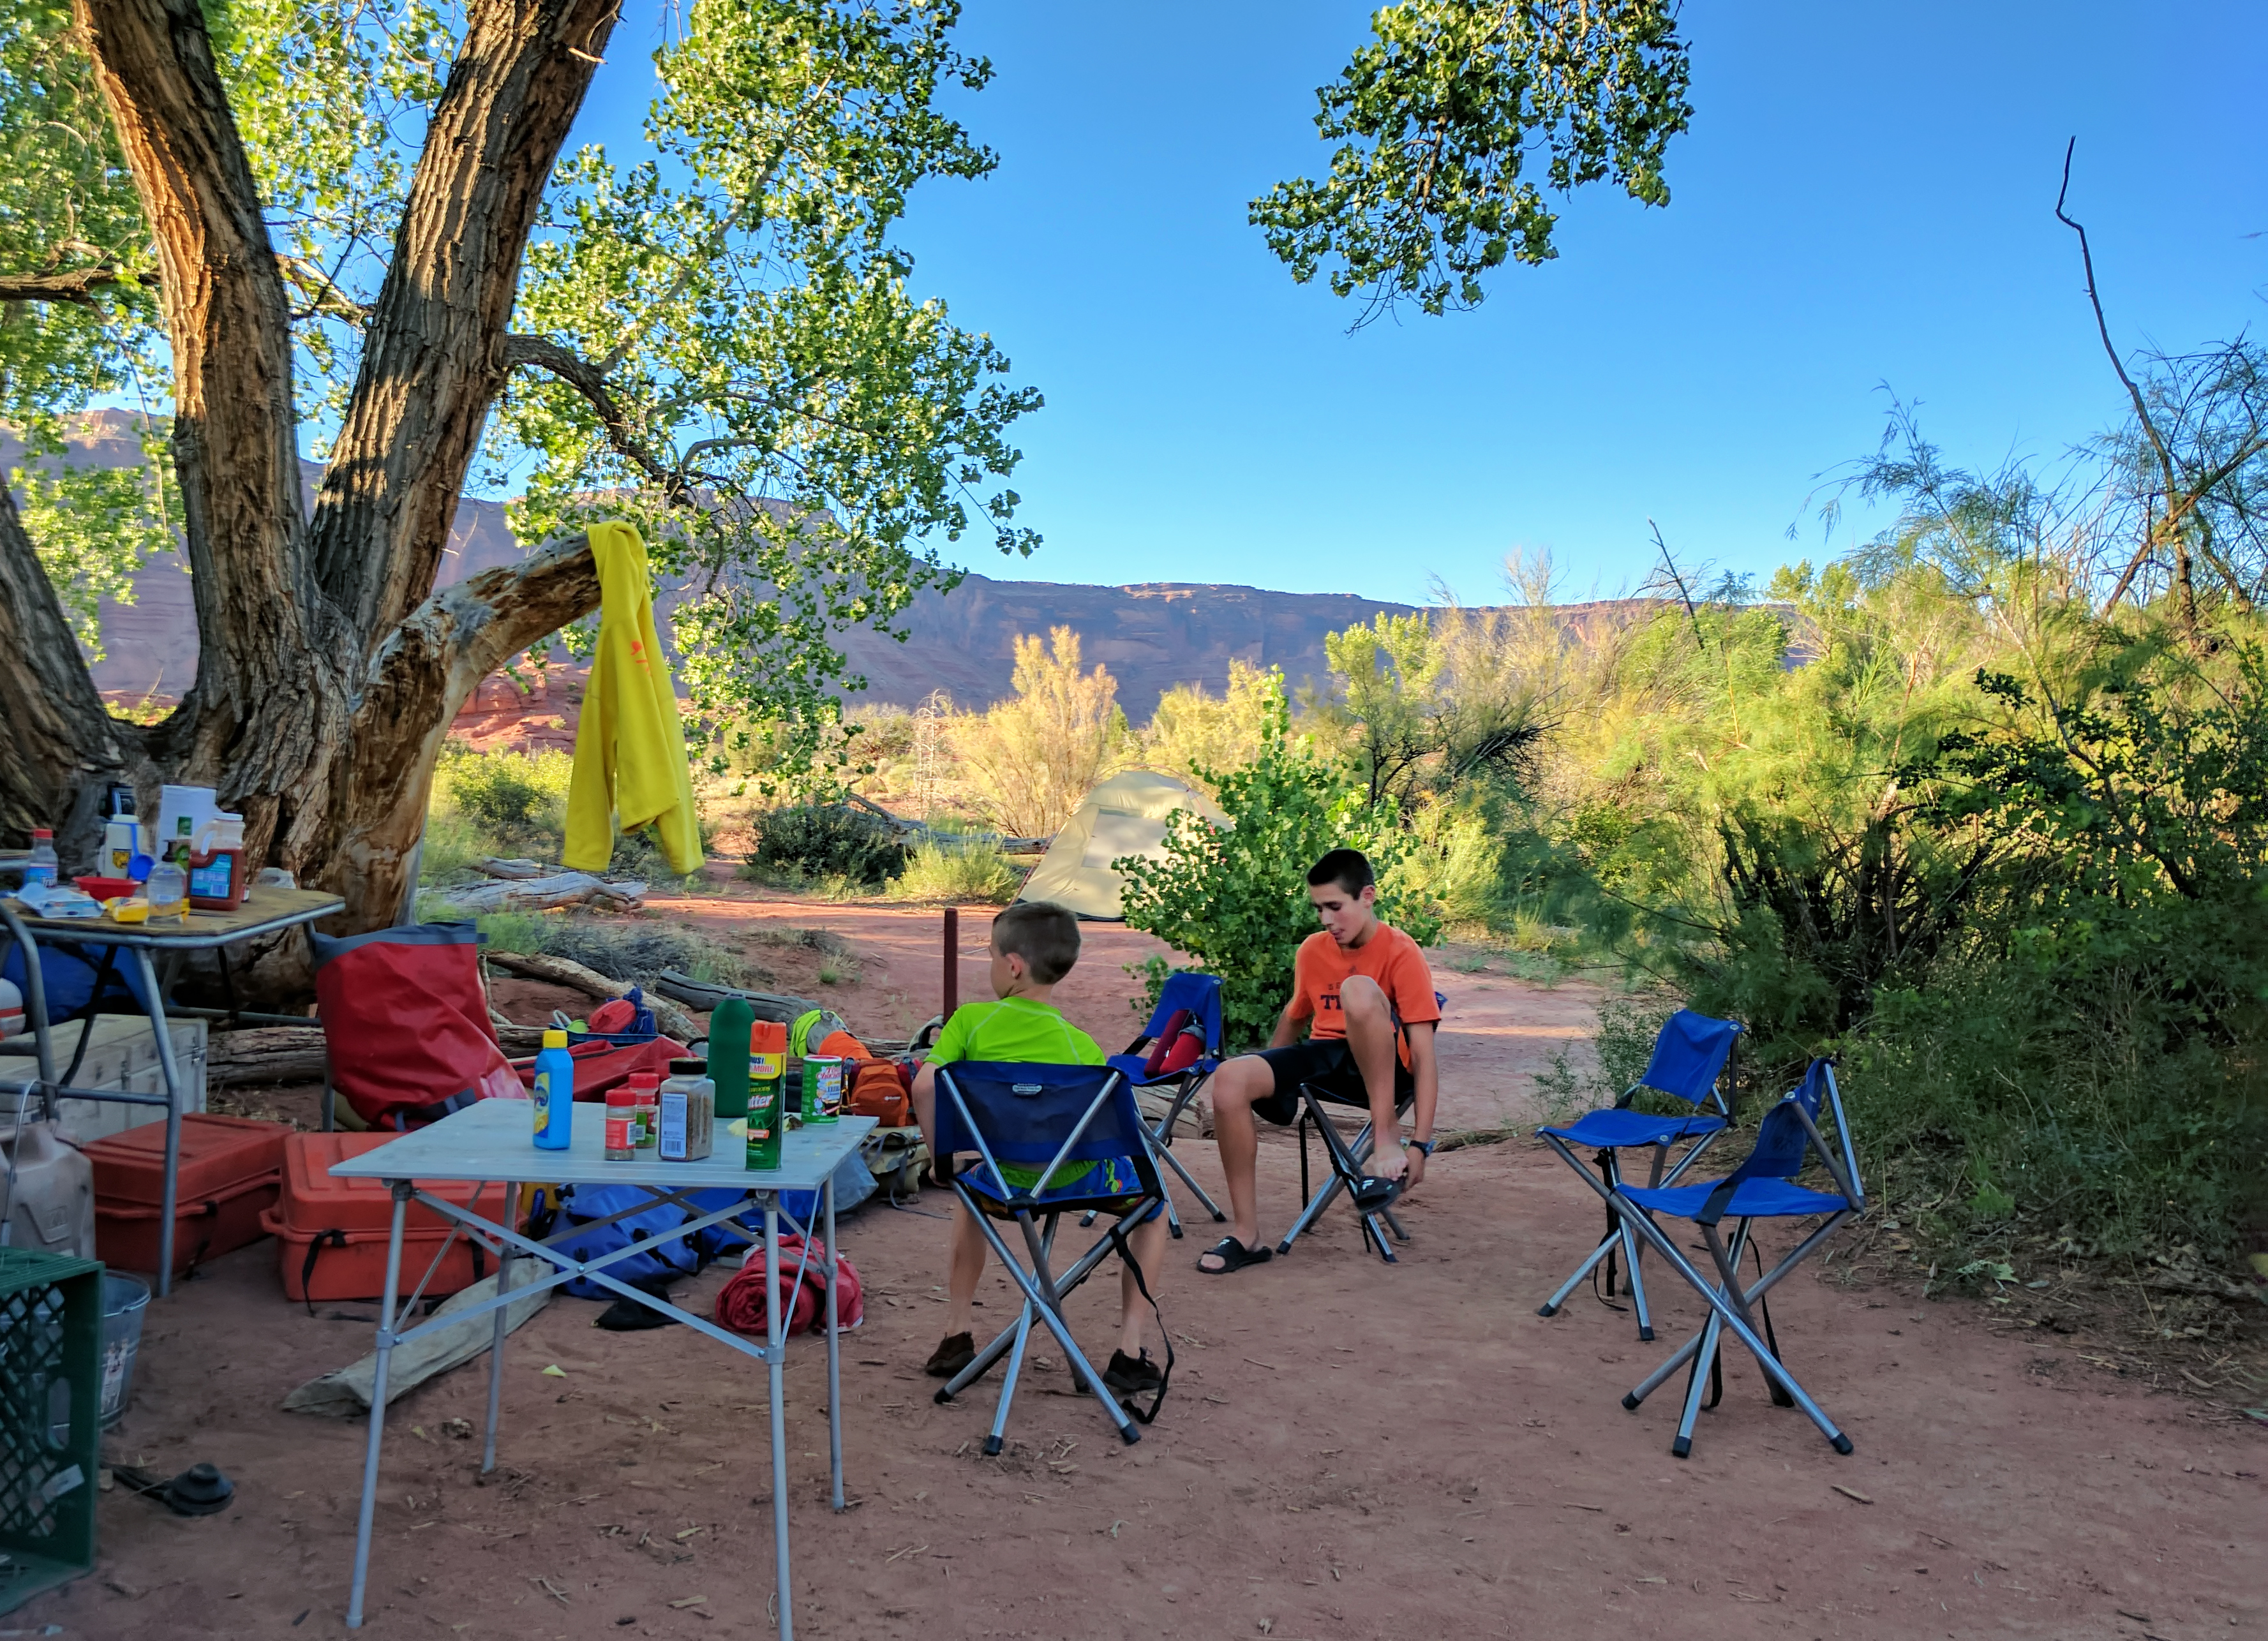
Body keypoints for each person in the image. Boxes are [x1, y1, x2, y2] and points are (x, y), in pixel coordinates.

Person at [909, 900, 1170, 1399]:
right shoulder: (1081, 1046)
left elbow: (925, 1089)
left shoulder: (970, 1023)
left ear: (1013, 965)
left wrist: (943, 1160)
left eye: (990, 955)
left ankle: (956, 1333)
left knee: (971, 1190)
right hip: (1071, 1181)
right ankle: (1130, 1351)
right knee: (1155, 1209)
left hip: (1002, 1181)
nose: (989, 965)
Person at [1195, 847, 1441, 1273]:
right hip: (1326, 1060)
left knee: (1358, 991)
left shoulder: (1402, 952)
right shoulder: (1312, 950)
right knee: (1231, 1076)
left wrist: (1419, 1143)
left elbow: (1424, 1054)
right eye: (1319, 909)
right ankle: (1246, 1235)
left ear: (1368, 896)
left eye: (1335, 907)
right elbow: (1294, 1017)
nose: (1327, 920)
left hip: (1387, 1068)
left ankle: (1385, 1137)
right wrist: (1267, 1078)